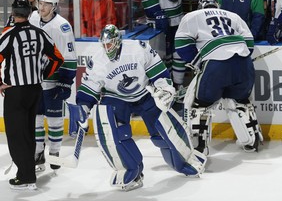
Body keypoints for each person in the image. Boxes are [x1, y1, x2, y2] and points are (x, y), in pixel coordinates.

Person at [68, 24, 207, 191]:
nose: (107, 48)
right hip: (116, 97)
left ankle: (187, 159)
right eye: (104, 44)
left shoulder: (138, 48)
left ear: (118, 41)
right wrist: (83, 106)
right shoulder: (97, 60)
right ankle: (130, 170)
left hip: (144, 93)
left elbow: (158, 72)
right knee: (111, 131)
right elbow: (89, 87)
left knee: (163, 129)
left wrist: (164, 88)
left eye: (110, 44)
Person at [175, 0, 263, 154]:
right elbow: (249, 43)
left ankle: (199, 147)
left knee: (199, 104)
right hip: (244, 63)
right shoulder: (233, 15)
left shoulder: (192, 16)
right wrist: (237, 58)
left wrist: (199, 63)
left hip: (216, 64)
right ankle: (252, 140)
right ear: (217, 6)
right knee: (241, 100)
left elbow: (181, 44)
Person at [0, 0, 64, 190]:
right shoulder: (39, 33)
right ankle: (28, 173)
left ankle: (26, 177)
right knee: (28, 132)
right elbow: (57, 58)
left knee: (16, 135)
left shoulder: (9, 35)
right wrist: (42, 74)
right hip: (35, 90)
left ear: (13, 13)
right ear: (29, 13)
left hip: (16, 92)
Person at [29, 0, 77, 172]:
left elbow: (70, 56)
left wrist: (65, 82)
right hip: (34, 80)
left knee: (55, 119)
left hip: (53, 80)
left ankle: (55, 152)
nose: (41, 7)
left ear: (54, 6)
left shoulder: (62, 26)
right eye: (40, 3)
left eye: (46, 4)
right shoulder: (33, 18)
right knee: (36, 118)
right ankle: (38, 152)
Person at [140, 0, 186, 89]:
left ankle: (178, 84)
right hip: (161, 21)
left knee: (179, 52)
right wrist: (157, 15)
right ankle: (168, 87)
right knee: (165, 55)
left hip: (178, 17)